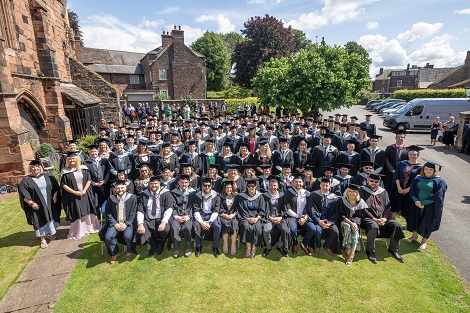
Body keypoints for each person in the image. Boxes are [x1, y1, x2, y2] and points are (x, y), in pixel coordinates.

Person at [360, 173, 405, 264]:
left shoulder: (383, 191)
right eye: (371, 181)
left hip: (383, 217)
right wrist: (374, 219)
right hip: (368, 217)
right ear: (368, 180)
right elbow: (362, 208)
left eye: (376, 182)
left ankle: (393, 249)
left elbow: (388, 207)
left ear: (379, 182)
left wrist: (384, 218)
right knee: (373, 227)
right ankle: (370, 251)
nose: (373, 183)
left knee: (397, 225)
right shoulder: (361, 190)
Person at [19, 160, 61, 249]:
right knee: (39, 219)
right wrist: (31, 203)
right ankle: (42, 239)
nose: (35, 168)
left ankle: (48, 233)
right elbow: (23, 194)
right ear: (30, 168)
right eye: (32, 167)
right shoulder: (26, 180)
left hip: (49, 202)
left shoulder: (48, 176)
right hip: (37, 204)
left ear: (40, 167)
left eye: (37, 166)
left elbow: (56, 186)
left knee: (50, 217)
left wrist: (55, 196)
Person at [406, 162, 447, 250]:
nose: (428, 171)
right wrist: (416, 200)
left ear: (434, 170)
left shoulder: (439, 181)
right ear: (423, 169)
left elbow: (438, 196)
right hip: (417, 203)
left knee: (428, 221)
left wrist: (423, 203)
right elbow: (412, 190)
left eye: (430, 169)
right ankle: (414, 236)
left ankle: (424, 241)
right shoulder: (418, 178)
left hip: (429, 206)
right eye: (426, 169)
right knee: (415, 218)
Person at [60, 151, 100, 239]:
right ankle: (79, 230)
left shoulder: (84, 168)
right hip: (73, 195)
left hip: (85, 193)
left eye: (73, 159)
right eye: (70, 159)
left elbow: (89, 180)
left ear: (77, 159)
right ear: (67, 160)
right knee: (77, 211)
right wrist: (75, 192)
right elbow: (64, 185)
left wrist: (84, 190)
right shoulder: (65, 171)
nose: (72, 160)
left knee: (87, 209)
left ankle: (90, 227)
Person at [135, 176, 173, 256]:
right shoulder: (144, 194)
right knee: (140, 229)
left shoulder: (166, 193)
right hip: (148, 219)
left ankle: (161, 243)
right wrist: (140, 224)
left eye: (155, 183)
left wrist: (164, 222)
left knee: (165, 229)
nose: (153, 185)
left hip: (161, 218)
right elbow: (140, 210)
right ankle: (153, 243)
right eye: (151, 184)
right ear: (148, 184)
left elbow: (169, 209)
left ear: (159, 183)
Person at [103, 180, 137, 264]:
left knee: (128, 236)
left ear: (126, 187)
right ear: (115, 189)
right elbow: (108, 213)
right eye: (118, 188)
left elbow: (133, 213)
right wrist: (115, 224)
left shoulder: (132, 197)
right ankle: (115, 253)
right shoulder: (111, 199)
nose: (120, 190)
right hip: (115, 222)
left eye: (122, 187)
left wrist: (126, 224)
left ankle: (129, 251)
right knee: (108, 237)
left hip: (128, 223)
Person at [307, 177, 341, 255]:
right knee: (318, 230)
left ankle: (327, 245)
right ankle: (317, 245)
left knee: (335, 231)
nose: (325, 187)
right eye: (323, 185)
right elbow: (311, 209)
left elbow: (335, 212)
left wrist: (330, 222)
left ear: (329, 186)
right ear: (320, 185)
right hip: (317, 220)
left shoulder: (334, 197)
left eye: (327, 186)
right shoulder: (314, 195)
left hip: (329, 220)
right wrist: (318, 221)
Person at [284, 174, 314, 256]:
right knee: (293, 229)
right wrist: (297, 216)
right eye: (296, 182)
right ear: (293, 183)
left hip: (304, 217)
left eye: (300, 182)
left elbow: (311, 208)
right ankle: (295, 243)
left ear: (303, 183)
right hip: (293, 216)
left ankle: (304, 244)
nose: (298, 183)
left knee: (312, 229)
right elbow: (286, 208)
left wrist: (305, 218)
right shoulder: (288, 192)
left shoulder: (308, 194)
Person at [389, 145, 423, 219]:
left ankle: (406, 225)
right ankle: (392, 223)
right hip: (398, 189)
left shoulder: (420, 167)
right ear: (408, 154)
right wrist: (399, 187)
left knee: (407, 209)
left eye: (414, 154)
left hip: (410, 191)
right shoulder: (402, 163)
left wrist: (408, 190)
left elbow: (418, 181)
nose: (412, 156)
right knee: (395, 206)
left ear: (418, 155)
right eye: (410, 154)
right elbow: (396, 176)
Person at [236, 178, 266, 258]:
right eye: (249, 186)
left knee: (257, 227)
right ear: (246, 186)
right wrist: (248, 219)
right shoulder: (242, 196)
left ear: (255, 186)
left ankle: (254, 247)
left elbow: (262, 209)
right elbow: (241, 209)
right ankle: (248, 248)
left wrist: (257, 218)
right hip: (245, 217)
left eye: (252, 186)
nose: (251, 188)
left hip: (257, 217)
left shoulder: (259, 196)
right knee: (246, 226)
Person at [192, 177, 222, 257]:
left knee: (217, 226)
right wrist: (201, 222)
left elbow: (216, 210)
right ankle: (198, 246)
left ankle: (215, 247)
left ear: (211, 185)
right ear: (202, 186)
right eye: (205, 185)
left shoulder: (216, 195)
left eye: (209, 185)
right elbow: (196, 210)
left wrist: (210, 222)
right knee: (196, 225)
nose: (207, 187)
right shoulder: (197, 195)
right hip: (201, 215)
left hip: (212, 215)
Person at [337, 184, 366, 266]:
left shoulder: (360, 202)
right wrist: (351, 223)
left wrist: (354, 223)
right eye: (350, 191)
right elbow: (341, 215)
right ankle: (348, 247)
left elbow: (360, 216)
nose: (352, 193)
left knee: (354, 229)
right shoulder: (342, 200)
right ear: (347, 192)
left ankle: (351, 253)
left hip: (355, 222)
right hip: (344, 222)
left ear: (357, 193)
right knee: (348, 226)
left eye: (354, 191)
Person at [261, 176, 290, 257]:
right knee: (266, 230)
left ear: (277, 186)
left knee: (285, 230)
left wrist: (281, 217)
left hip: (279, 218)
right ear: (268, 186)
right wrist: (270, 218)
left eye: (274, 185)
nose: (273, 187)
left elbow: (285, 208)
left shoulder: (282, 195)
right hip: (268, 218)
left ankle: (280, 246)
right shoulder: (264, 195)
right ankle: (268, 247)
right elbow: (262, 209)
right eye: (271, 185)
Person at [170, 175, 196, 258]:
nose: (184, 184)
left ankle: (189, 246)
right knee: (174, 227)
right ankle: (176, 248)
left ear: (188, 183)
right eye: (182, 182)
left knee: (187, 227)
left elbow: (194, 206)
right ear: (178, 182)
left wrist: (189, 216)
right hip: (177, 216)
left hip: (188, 216)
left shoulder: (193, 192)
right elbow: (172, 206)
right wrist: (176, 216)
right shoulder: (173, 192)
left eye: (186, 182)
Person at [219, 180, 238, 256]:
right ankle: (225, 243)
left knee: (235, 223)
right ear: (224, 189)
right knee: (224, 223)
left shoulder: (236, 196)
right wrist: (224, 215)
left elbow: (239, 208)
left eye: (230, 187)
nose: (229, 189)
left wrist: (233, 215)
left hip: (233, 216)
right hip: (224, 215)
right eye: (227, 188)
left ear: (232, 188)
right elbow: (219, 208)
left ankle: (233, 244)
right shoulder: (221, 197)